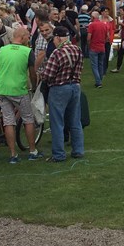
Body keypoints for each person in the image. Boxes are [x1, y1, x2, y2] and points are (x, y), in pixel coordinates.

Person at [0, 27, 40, 163]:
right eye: (28, 36)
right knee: (28, 119)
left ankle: (13, 154)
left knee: (8, 121)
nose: (29, 39)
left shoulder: (2, 50)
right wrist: (34, 86)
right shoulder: (27, 51)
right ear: (22, 37)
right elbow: (33, 73)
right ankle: (32, 150)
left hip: (2, 89)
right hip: (19, 90)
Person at [39, 26, 84, 162]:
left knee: (57, 122)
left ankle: (58, 154)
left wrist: (41, 74)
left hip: (59, 88)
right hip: (75, 86)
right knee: (75, 121)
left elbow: (48, 75)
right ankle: (78, 150)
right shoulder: (77, 50)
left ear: (58, 38)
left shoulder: (57, 53)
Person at [87, 11, 111, 88]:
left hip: (94, 47)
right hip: (102, 47)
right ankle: (100, 79)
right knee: (100, 64)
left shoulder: (91, 25)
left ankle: (98, 82)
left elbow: (89, 38)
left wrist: (89, 45)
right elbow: (108, 37)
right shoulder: (104, 25)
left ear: (93, 17)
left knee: (94, 65)